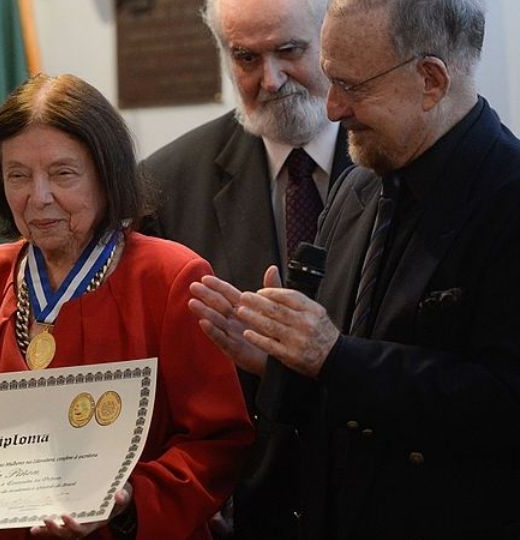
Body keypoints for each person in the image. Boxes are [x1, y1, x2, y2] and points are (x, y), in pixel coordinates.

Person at [0, 73, 253, 539]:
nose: (39, 197)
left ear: (107, 176)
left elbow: (216, 443)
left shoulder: (170, 276)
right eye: (18, 176)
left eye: (63, 173)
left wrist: (127, 501)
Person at [190, 0, 520, 538]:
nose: (335, 108)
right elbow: (334, 393)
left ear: (431, 80)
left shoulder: (506, 199)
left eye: (353, 86)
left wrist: (332, 356)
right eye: (330, 79)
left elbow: (504, 402)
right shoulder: (358, 186)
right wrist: (278, 361)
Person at [140, 0, 350, 537]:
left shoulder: (392, 157)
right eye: (246, 58)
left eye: (288, 51)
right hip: (241, 506)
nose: (271, 80)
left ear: (331, 39)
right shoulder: (164, 187)